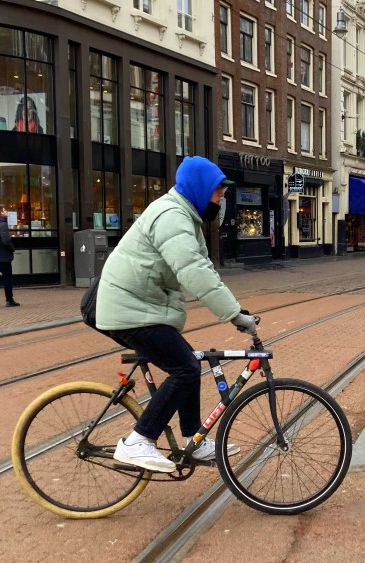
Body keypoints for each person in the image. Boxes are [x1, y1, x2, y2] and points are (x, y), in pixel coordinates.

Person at [96, 156, 253, 472]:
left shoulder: (185, 217)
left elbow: (204, 266)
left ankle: (192, 440)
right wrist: (234, 315)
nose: (222, 197)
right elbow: (193, 271)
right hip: (130, 310)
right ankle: (139, 441)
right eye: (218, 190)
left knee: (188, 363)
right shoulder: (171, 217)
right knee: (185, 370)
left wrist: (237, 310)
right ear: (199, 188)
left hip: (141, 307)